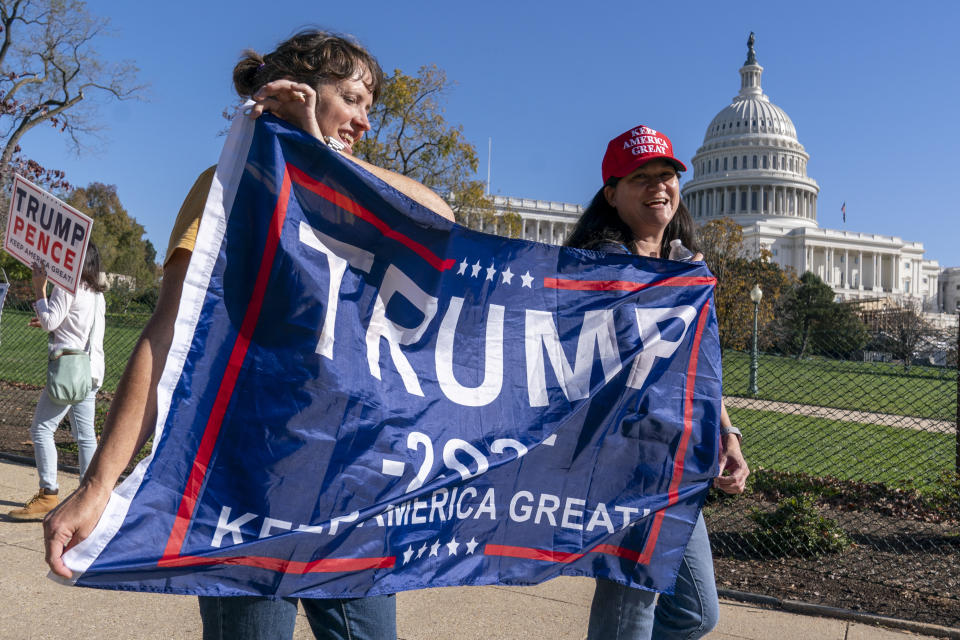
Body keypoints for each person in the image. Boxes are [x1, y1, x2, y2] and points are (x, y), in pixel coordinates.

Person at [42, 30, 454, 640]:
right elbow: (164, 337)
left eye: (371, 106)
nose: (365, 121)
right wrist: (99, 485)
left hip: (349, 484)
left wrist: (319, 151)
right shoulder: (228, 187)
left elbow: (441, 219)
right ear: (300, 89)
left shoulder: (359, 198)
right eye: (352, 99)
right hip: (245, 486)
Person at [566, 124, 750, 640]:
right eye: (641, 177)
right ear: (612, 193)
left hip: (679, 456)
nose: (658, 187)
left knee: (694, 612)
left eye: (666, 175)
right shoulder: (595, 269)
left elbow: (698, 371)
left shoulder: (688, 270)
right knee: (631, 604)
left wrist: (728, 436)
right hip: (626, 455)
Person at [9, 244, 106, 521]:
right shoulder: (97, 294)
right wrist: (51, 321)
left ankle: (48, 494)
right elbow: (79, 326)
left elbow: (52, 321)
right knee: (85, 437)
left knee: (41, 428)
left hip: (69, 371)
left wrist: (39, 289)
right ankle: (89, 500)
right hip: (91, 372)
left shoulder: (66, 287)